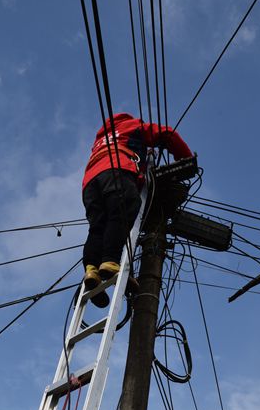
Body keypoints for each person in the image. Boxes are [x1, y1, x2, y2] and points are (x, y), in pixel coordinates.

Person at [82, 112, 193, 307]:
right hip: (117, 170)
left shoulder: (101, 138)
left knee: (97, 226)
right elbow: (167, 134)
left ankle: (92, 269)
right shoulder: (131, 126)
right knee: (123, 212)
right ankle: (110, 262)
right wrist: (185, 159)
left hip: (89, 183)